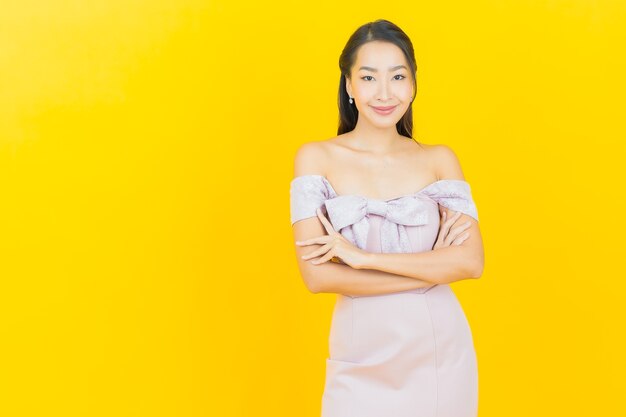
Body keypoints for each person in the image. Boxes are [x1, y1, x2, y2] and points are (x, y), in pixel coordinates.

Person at [290, 19, 484, 417]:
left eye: (397, 76)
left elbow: (470, 262)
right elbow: (317, 277)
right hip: (359, 349)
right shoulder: (316, 159)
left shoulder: (438, 160)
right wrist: (430, 269)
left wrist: (365, 258)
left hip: (437, 349)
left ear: (413, 84)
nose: (384, 93)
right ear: (348, 85)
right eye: (368, 77)